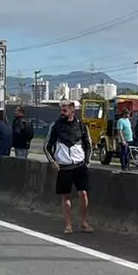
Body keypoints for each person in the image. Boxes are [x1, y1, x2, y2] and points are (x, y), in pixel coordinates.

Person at [44, 100, 93, 234]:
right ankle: (68, 225)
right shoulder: (56, 126)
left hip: (80, 165)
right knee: (66, 196)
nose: (62, 113)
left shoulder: (82, 126)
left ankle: (83, 222)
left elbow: (88, 145)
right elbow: (47, 146)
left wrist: (87, 162)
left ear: (72, 111)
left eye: (64, 110)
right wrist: (53, 161)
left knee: (83, 193)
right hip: (64, 167)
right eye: (61, 110)